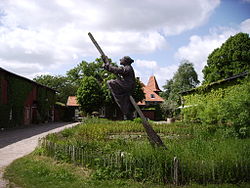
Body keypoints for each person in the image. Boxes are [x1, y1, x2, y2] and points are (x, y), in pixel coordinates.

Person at [102, 56, 136, 120]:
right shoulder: (127, 68)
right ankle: (123, 101)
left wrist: (107, 65)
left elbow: (117, 70)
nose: (120, 59)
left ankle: (120, 96)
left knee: (110, 82)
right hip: (127, 85)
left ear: (125, 61)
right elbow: (116, 70)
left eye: (122, 59)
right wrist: (107, 63)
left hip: (127, 86)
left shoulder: (128, 68)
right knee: (111, 82)